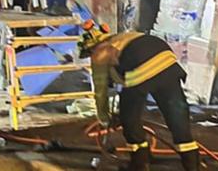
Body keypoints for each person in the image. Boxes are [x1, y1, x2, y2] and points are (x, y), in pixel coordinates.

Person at [79, 19, 199, 171]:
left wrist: (104, 118)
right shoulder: (124, 37)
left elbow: (100, 90)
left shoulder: (100, 53)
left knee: (129, 119)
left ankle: (140, 164)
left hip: (141, 70)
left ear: (90, 48)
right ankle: (192, 166)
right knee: (177, 118)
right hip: (168, 64)